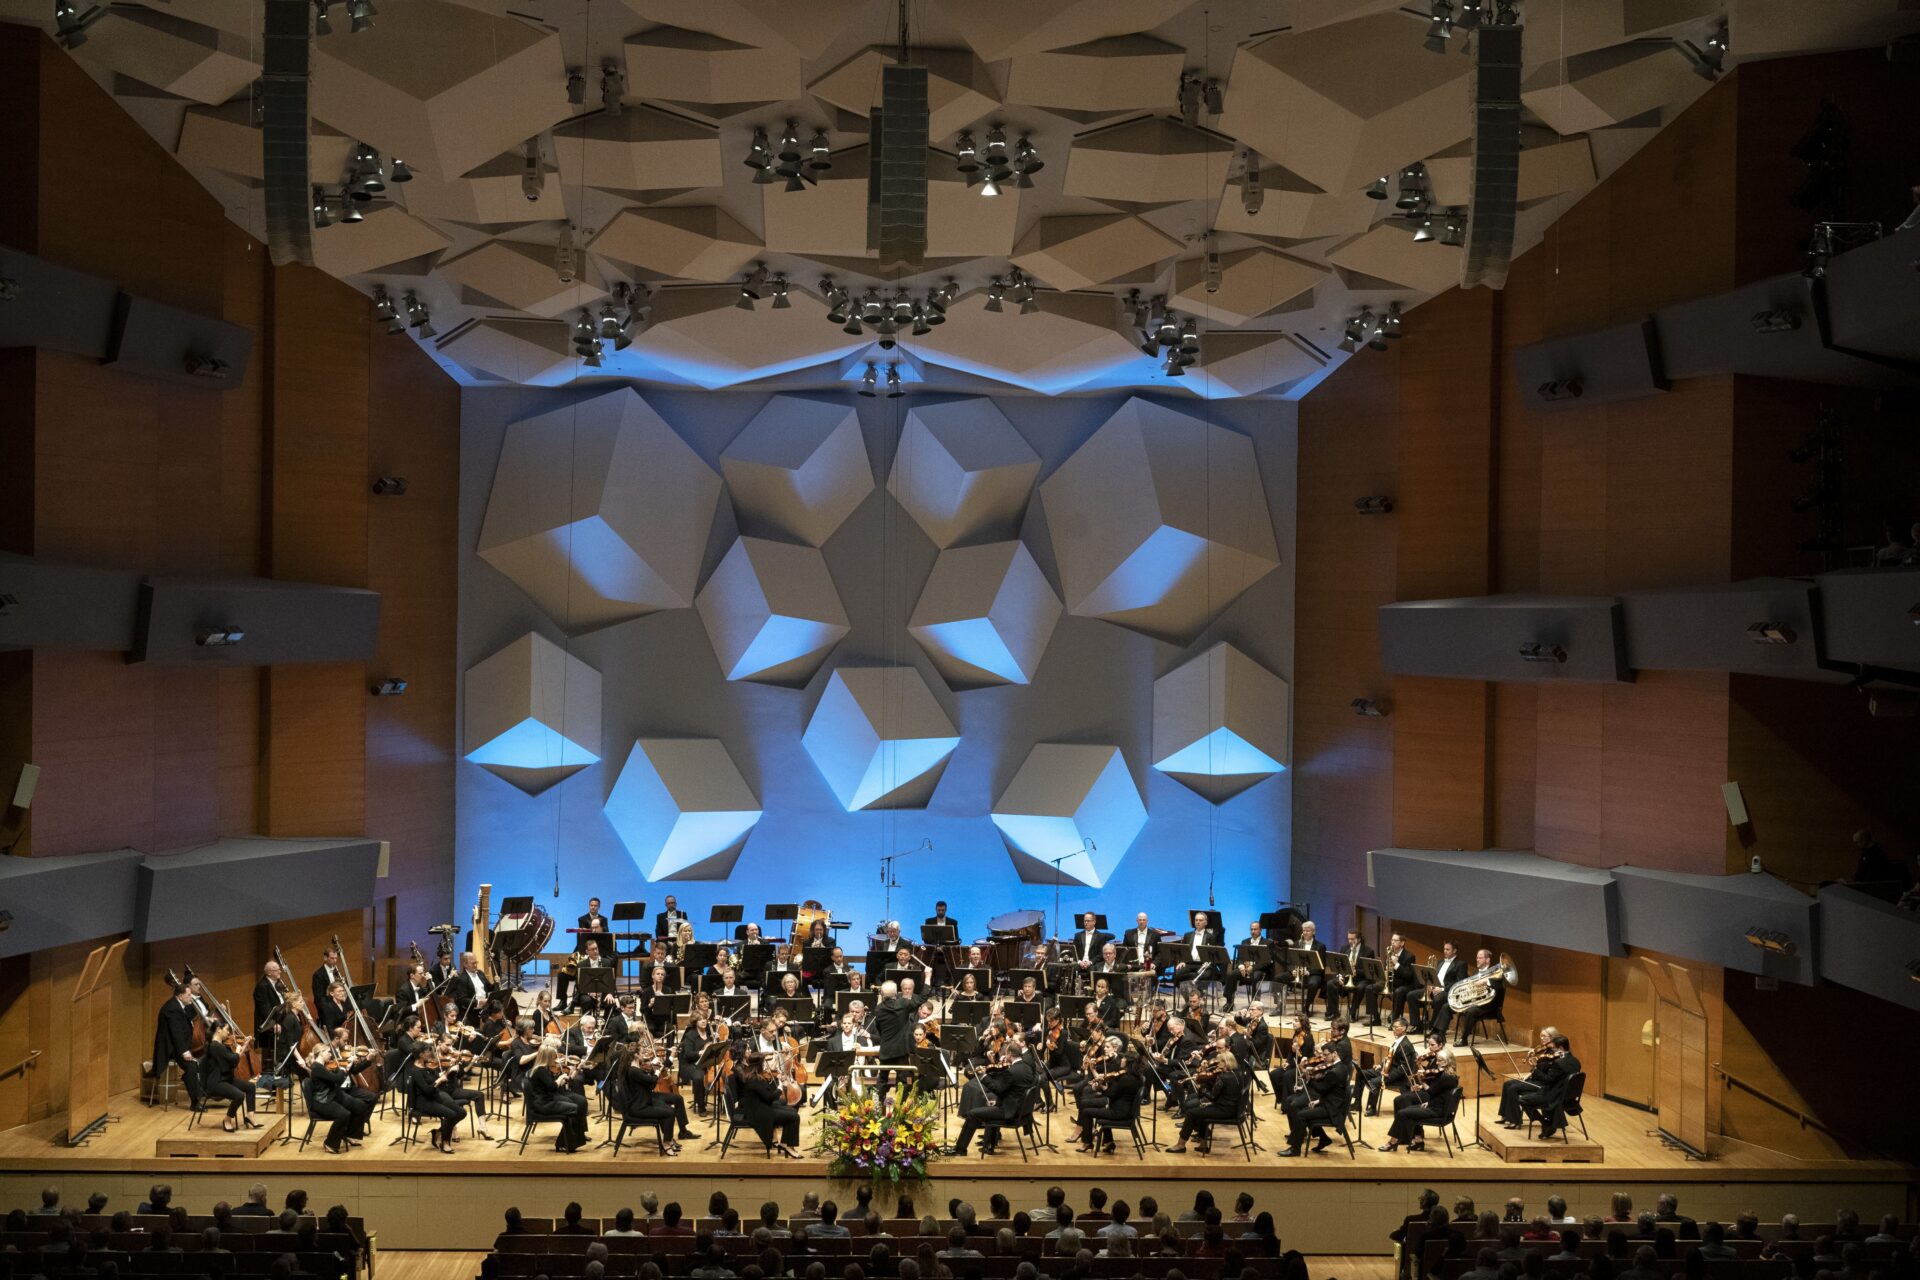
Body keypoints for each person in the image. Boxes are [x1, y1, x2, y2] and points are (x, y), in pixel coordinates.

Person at [1497, 1030, 1580, 1138]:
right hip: (1569, 1097)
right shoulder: (1576, 1061)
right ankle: (1546, 1122)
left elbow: (1547, 1080)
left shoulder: (1558, 1063)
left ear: (1560, 1049)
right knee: (1513, 1087)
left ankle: (1545, 1123)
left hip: (1554, 1096)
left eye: (1554, 1048)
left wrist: (1535, 1068)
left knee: (1523, 1099)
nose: (1552, 1050)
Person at [1382, 1047, 1458, 1153]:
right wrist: (1428, 1102)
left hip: (1436, 1111)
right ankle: (1417, 1141)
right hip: (1435, 1106)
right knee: (1407, 1108)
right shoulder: (1448, 1075)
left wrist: (1422, 1081)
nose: (1436, 1062)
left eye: (1440, 1060)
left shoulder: (1446, 1077)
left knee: (1402, 1113)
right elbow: (1440, 1095)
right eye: (1437, 1059)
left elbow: (1431, 1092)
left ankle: (1393, 1142)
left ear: (1447, 1062)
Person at [150, 983, 206, 1110]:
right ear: (180, 996)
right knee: (191, 1066)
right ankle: (195, 1102)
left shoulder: (178, 1005)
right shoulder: (172, 1008)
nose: (191, 998)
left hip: (179, 1045)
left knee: (198, 1062)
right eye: (188, 995)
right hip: (171, 1048)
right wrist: (185, 1051)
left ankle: (195, 1087)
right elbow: (176, 1034)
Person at [306, 1045, 370, 1154]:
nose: (331, 1055)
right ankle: (329, 1143)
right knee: (344, 1114)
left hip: (334, 1094)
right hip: (322, 1100)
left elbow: (338, 1080)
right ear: (321, 1053)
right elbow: (336, 1078)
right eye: (328, 1052)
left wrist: (346, 1066)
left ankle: (350, 1134)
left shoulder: (324, 1065)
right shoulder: (317, 1068)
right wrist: (344, 1068)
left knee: (361, 1106)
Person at [525, 1044, 588, 1153]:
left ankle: (565, 1143)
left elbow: (551, 1087)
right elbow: (553, 1087)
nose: (555, 1059)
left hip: (547, 1101)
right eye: (553, 1056)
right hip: (544, 1104)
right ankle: (564, 1143)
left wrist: (564, 1078)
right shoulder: (540, 1071)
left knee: (574, 1107)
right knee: (574, 1108)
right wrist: (560, 1078)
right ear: (547, 1057)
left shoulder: (543, 1069)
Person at [738, 1053, 803, 1157]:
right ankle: (788, 1146)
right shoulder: (755, 1080)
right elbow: (769, 1098)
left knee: (792, 1111)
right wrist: (780, 1088)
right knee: (794, 1116)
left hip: (761, 1107)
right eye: (763, 1062)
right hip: (759, 1113)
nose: (764, 1065)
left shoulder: (752, 1076)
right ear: (759, 1065)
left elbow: (765, 1094)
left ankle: (784, 1143)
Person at [203, 1023, 262, 1132]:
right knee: (239, 1096)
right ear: (218, 1030)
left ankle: (250, 1116)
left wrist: (244, 1046)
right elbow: (233, 1059)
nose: (229, 1032)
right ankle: (227, 1119)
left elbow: (234, 1062)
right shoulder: (215, 1046)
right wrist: (239, 1050)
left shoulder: (221, 1045)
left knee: (250, 1087)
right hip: (216, 1082)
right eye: (227, 1029)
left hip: (226, 1079)